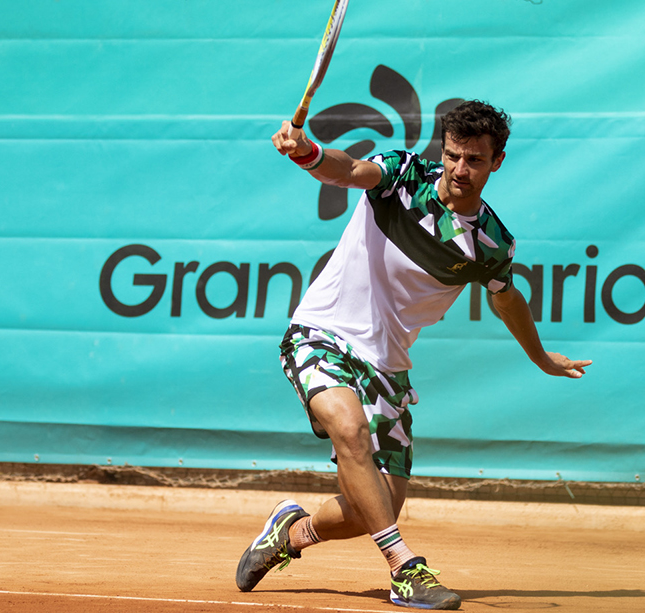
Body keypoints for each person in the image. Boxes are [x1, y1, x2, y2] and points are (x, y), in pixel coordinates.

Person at [236, 100, 591, 610]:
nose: (459, 170)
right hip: (322, 332)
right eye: (452, 156)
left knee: (374, 508)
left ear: (498, 162)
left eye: (474, 160)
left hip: (388, 366)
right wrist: (309, 153)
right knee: (351, 430)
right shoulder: (403, 175)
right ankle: (406, 570)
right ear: (441, 152)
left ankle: (289, 535)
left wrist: (539, 356)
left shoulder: (489, 244)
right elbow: (352, 170)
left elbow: (505, 296)